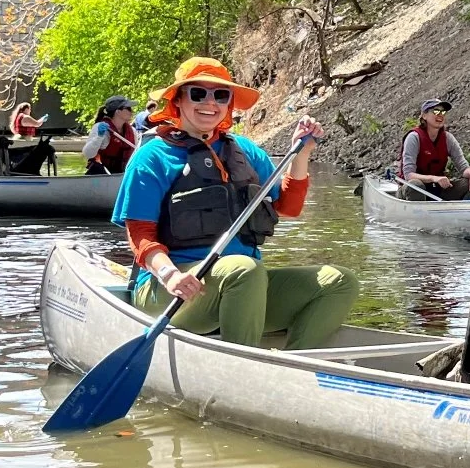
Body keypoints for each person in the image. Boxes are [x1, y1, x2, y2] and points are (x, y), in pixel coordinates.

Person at [113, 57, 357, 349]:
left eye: (220, 95)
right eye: (198, 93)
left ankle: (292, 367)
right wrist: (170, 275)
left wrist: (301, 154)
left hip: (244, 286)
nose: (210, 103)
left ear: (229, 103)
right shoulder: (152, 156)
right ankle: (244, 364)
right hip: (171, 290)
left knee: (339, 281)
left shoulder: (245, 151)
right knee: (245, 270)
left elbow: (289, 207)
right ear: (178, 100)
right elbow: (139, 234)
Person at [397, 99, 470, 200]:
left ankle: (463, 212)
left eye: (443, 112)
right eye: (436, 111)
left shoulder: (448, 138)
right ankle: (419, 214)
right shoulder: (414, 137)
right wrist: (434, 178)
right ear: (424, 115)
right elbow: (409, 175)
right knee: (416, 185)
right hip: (413, 189)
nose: (440, 115)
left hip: (438, 190)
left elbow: (463, 167)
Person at [82, 96, 138, 176]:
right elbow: (87, 154)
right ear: (118, 111)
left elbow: (136, 153)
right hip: (101, 175)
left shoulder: (132, 131)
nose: (132, 111)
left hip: (123, 175)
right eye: (128, 108)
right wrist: (99, 137)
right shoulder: (101, 128)